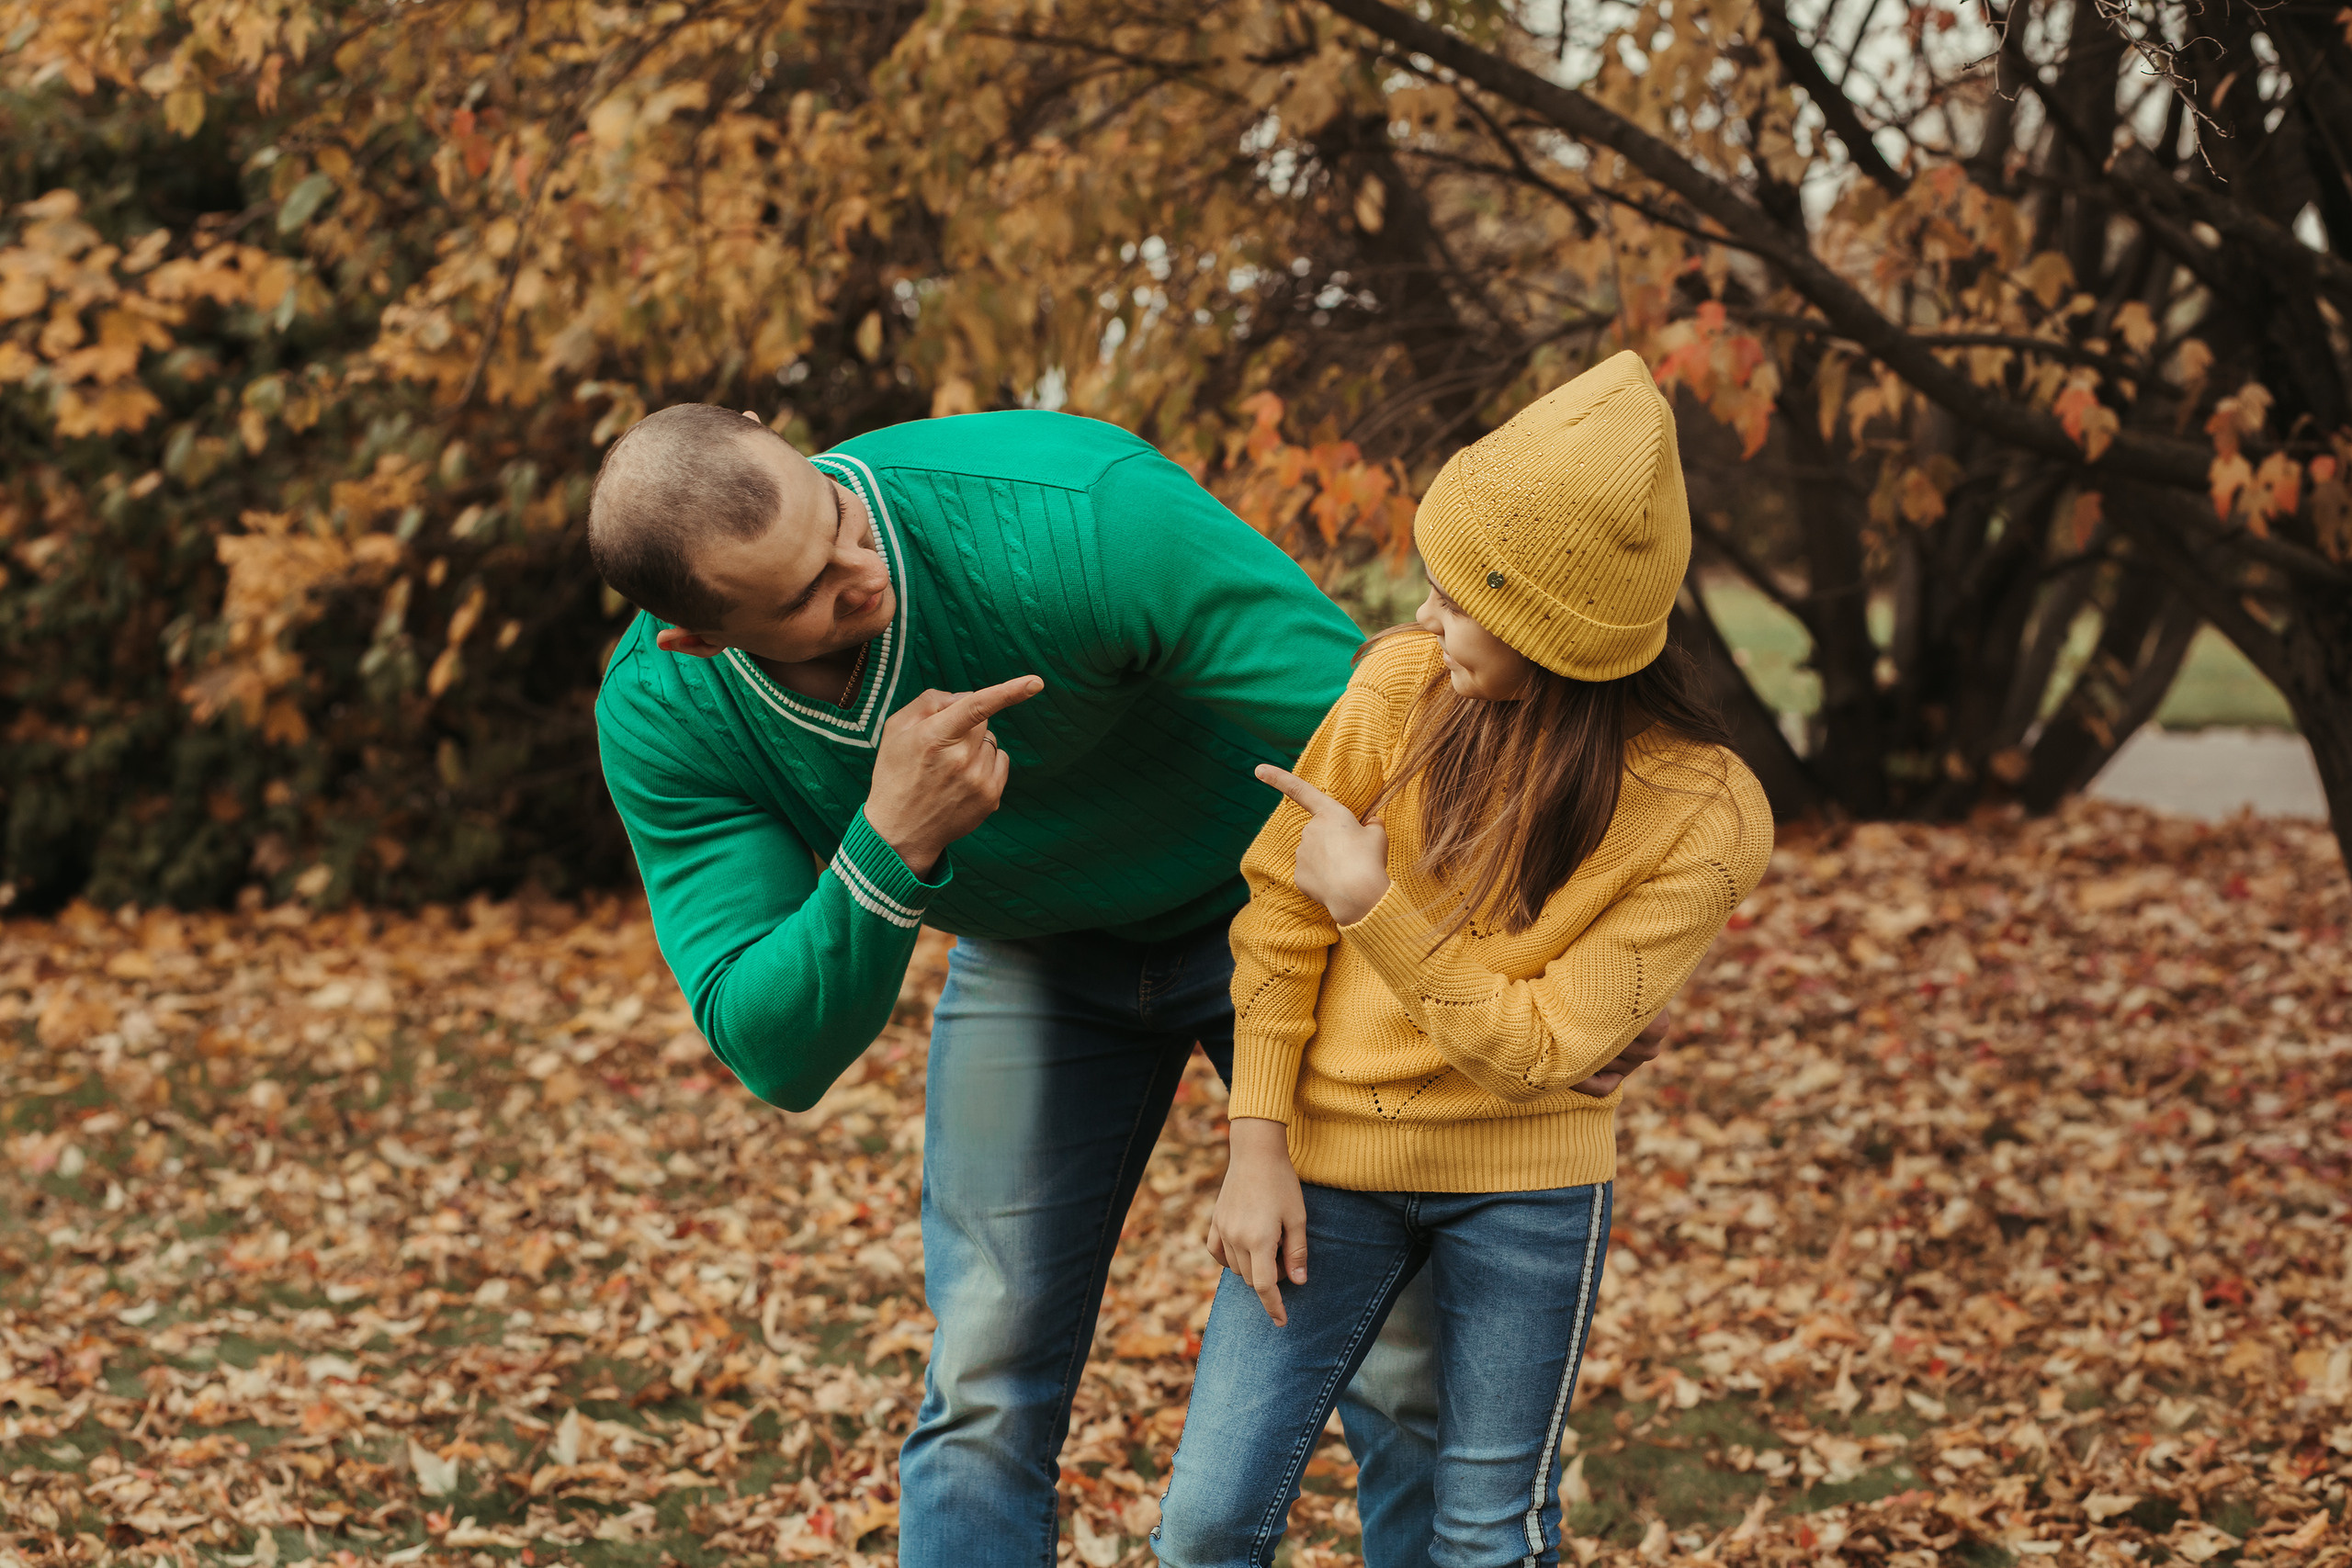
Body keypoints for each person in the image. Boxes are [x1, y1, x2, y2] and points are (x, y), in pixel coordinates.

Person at [1149, 352, 1774, 1568]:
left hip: (1529, 1192)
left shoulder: (1706, 814)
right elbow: (1278, 912)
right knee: (1209, 1519)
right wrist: (1257, 1146)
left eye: (1455, 598)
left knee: (1488, 1535)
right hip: (1329, 1163)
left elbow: (1542, 1050)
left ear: (1551, 630)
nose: (1423, 618)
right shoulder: (1397, 686)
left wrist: (1377, 909)